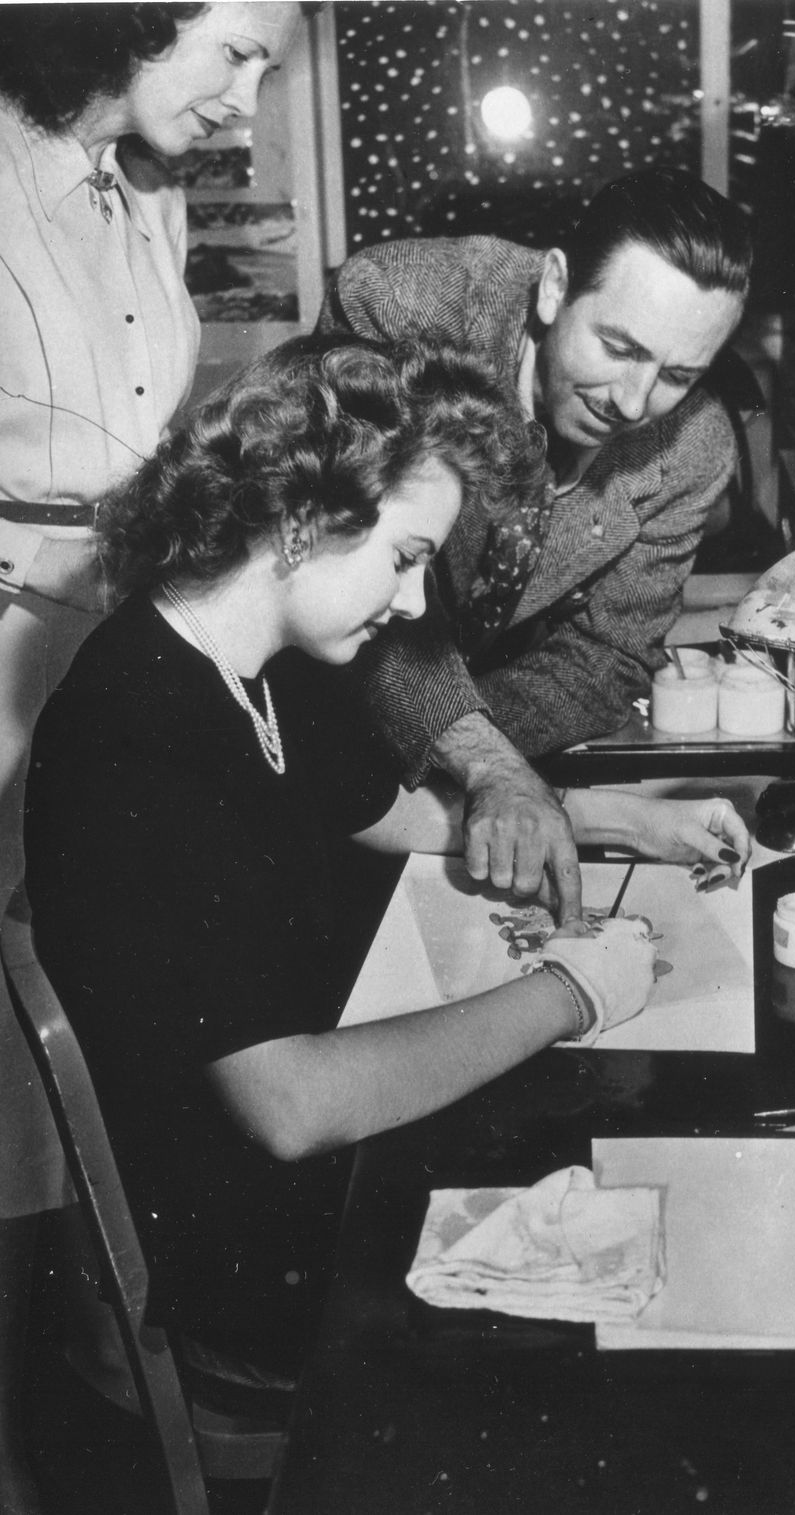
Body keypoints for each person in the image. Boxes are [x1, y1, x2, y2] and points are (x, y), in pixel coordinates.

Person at [23, 333, 750, 1381]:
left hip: (318, 1166)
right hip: (260, 1247)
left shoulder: (260, 664)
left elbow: (399, 815)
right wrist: (573, 990)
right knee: (658, 1284)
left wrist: (625, 820)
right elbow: (293, 1108)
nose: (413, 606)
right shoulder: (135, 731)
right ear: (305, 517)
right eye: (407, 559)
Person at [0, 6, 302, 1505]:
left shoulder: (149, 181)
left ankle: (68, 1406)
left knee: (64, 1089)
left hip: (99, 648)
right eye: (237, 52)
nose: (252, 97)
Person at [317, 167, 752, 923]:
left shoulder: (695, 446)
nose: (633, 402)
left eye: (678, 374)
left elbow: (605, 657)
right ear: (554, 287)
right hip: (309, 703)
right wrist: (482, 760)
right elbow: (355, 570)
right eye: (618, 346)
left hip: (434, 764)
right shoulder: (399, 307)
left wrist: (471, 765)